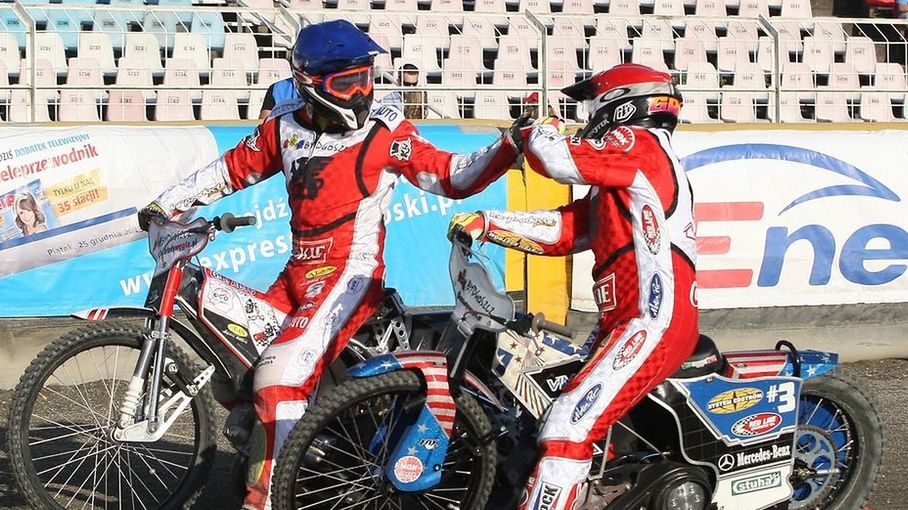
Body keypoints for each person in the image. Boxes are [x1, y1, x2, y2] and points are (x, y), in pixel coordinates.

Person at [137, 19, 525, 510]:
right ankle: (303, 458)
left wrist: (509, 145)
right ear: (309, 83)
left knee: (277, 379)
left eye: (367, 78)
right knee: (234, 369)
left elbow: (452, 175)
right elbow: (228, 171)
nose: (361, 92)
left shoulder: (386, 131)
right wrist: (166, 204)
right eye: (347, 83)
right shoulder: (283, 125)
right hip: (296, 274)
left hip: (350, 276)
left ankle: (268, 501)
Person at [448, 63, 699, 510]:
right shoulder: (625, 173)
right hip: (627, 320)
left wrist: (535, 131)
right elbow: (566, 232)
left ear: (618, 105)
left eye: (590, 107)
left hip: (652, 321)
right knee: (556, 411)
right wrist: (489, 223)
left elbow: (557, 160)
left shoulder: (639, 144)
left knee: (567, 425)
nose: (585, 119)